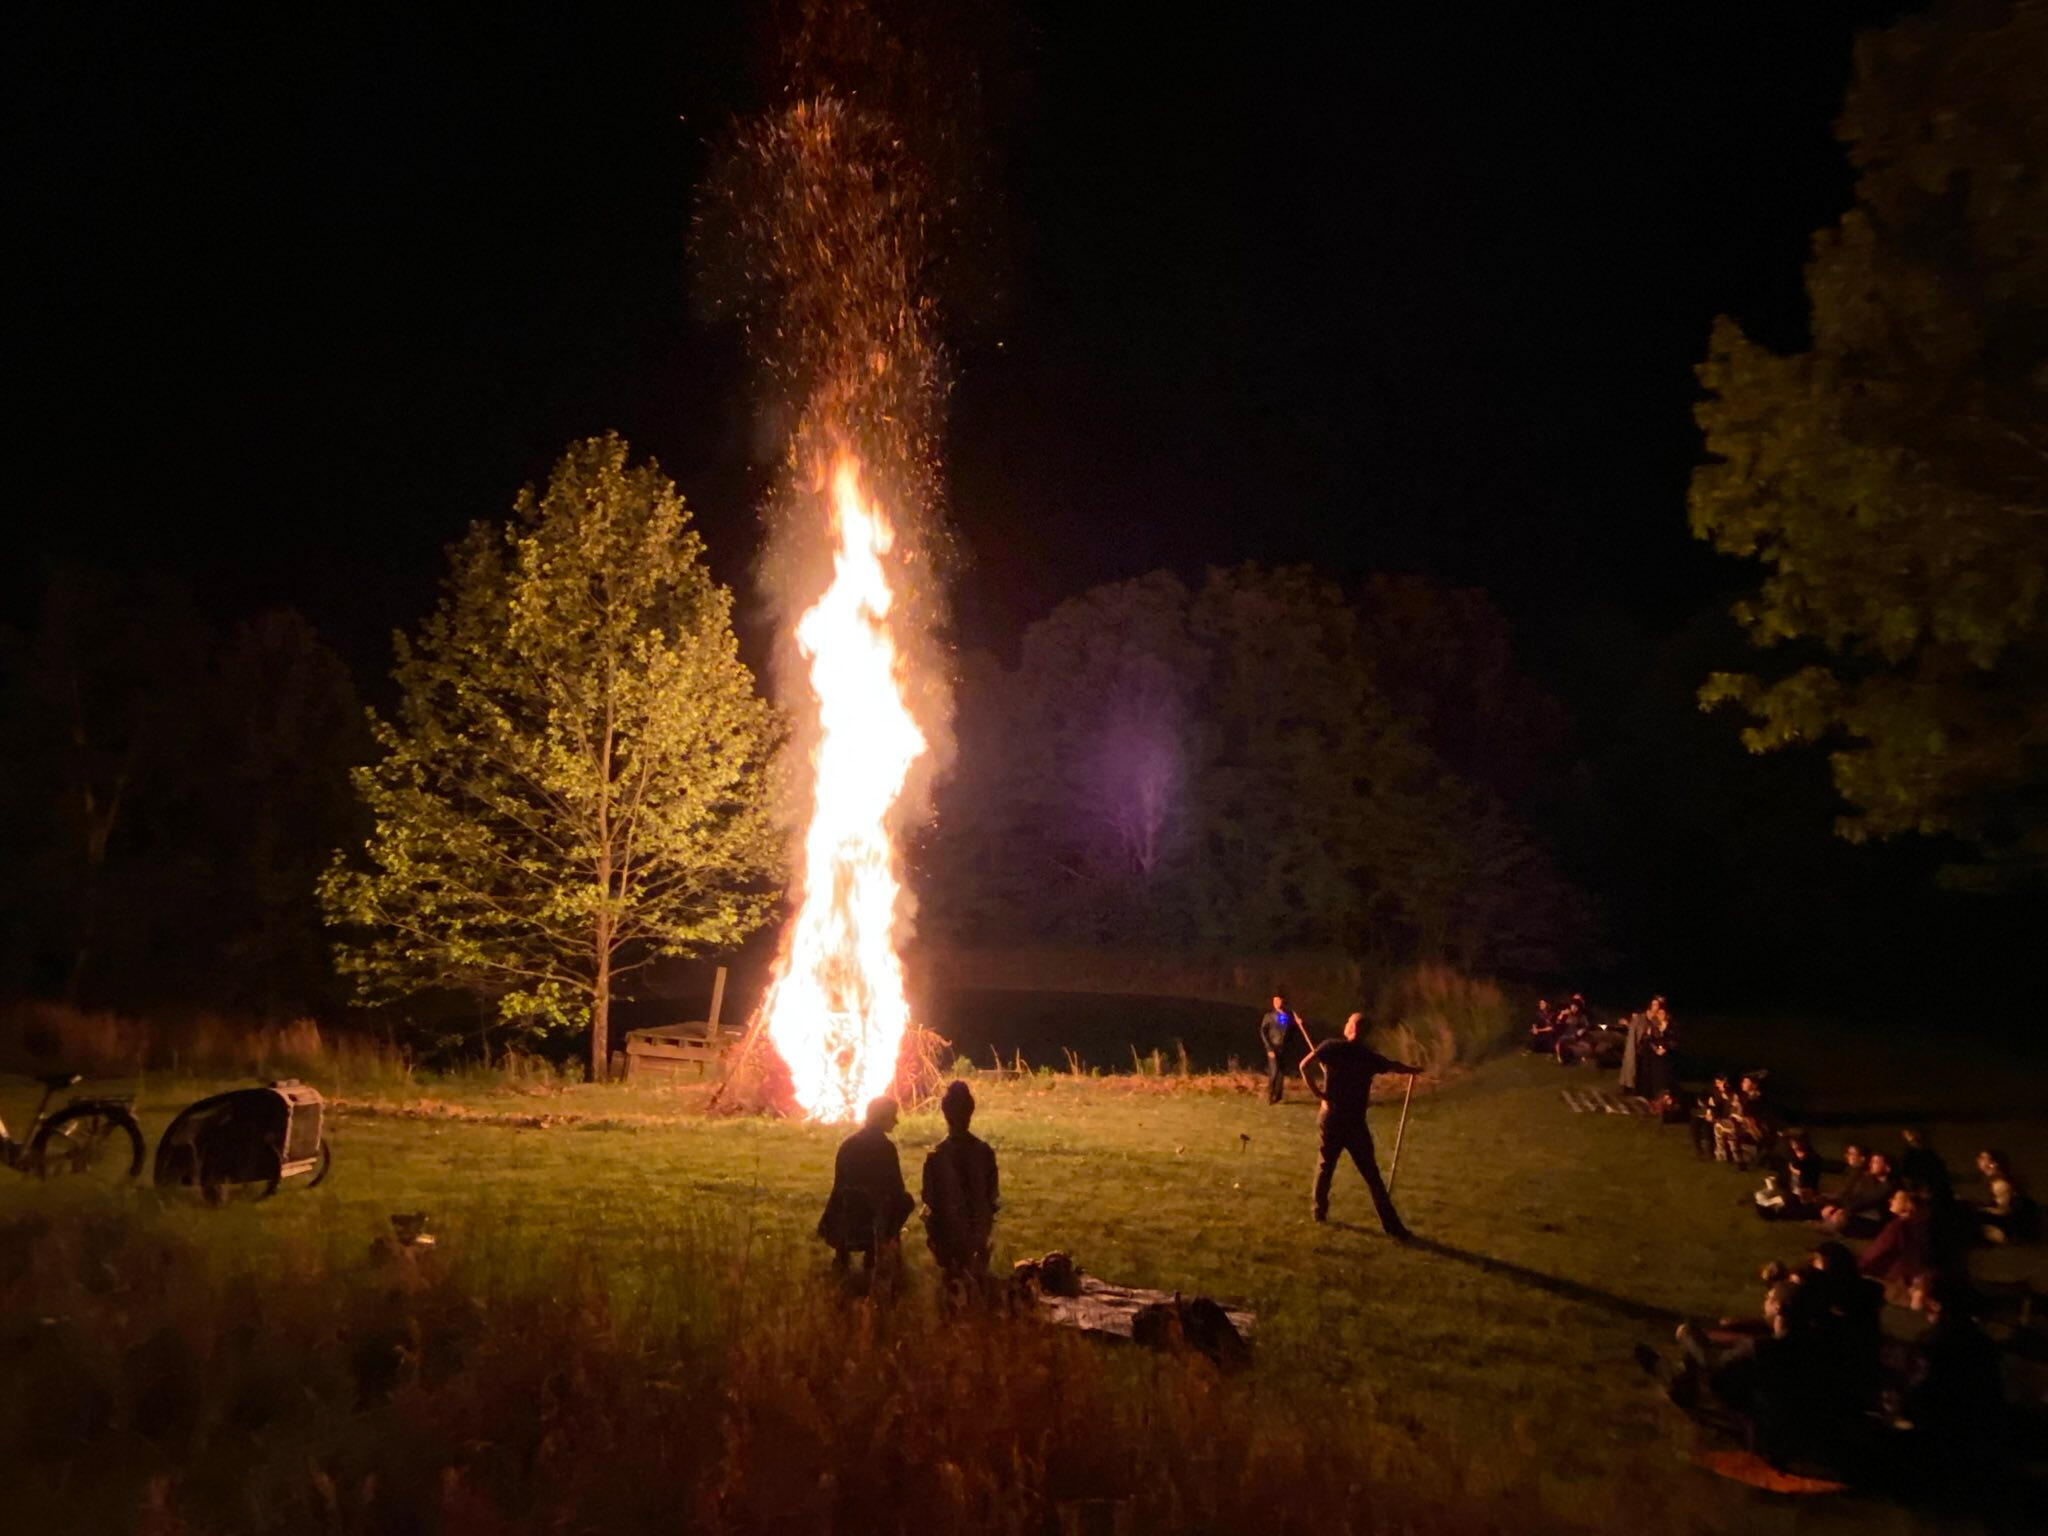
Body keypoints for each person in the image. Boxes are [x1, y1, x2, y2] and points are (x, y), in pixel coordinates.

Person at [1299, 1012, 1419, 1236]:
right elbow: (1393, 1066)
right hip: (1354, 1122)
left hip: (1334, 1118)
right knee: (1371, 1175)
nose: (1345, 1024)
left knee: (1326, 1166)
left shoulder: (1332, 1047)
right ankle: (1392, 1226)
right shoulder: (1368, 1057)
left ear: (1353, 1028)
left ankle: (1319, 1211)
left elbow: (1304, 1065)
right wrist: (1412, 1071)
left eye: (1348, 1021)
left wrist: (1319, 1093)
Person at [817, 1096, 916, 1276]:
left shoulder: (848, 1143)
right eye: (892, 1116)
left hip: (844, 1215)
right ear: (881, 1117)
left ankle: (842, 1255)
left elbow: (840, 1185)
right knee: (906, 1201)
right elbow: (896, 1189)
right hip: (872, 1218)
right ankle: (880, 1249)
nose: (896, 1121)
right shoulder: (886, 1148)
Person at [920, 1080, 1000, 1285]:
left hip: (947, 1233)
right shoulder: (984, 1152)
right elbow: (992, 1195)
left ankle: (950, 1262)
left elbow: (929, 1198)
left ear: (945, 1114)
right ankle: (976, 1259)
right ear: (970, 1112)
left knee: (926, 1212)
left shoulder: (936, 1156)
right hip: (977, 1230)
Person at [1858, 1187, 1934, 1303]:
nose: (1890, 1200)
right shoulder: (1925, 1223)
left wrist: (1856, 1268)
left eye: (1895, 1198)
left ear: (1909, 1203)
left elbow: (1875, 1253)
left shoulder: (1897, 1227)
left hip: (1903, 1281)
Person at [1971, 1148, 2039, 1245]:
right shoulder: (1996, 1182)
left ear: (1996, 1164)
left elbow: (2004, 1211)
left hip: (2010, 1227)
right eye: (1980, 1158)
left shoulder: (2000, 1184)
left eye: (1987, 1160)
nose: (1982, 1163)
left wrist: (1982, 1210)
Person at [1258, 993, 1304, 1105]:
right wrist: (1269, 1049)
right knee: (1274, 1071)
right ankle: (1271, 1095)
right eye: (1275, 1001)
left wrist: (1298, 1023)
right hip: (1273, 1047)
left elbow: (1288, 1029)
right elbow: (1263, 1032)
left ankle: (1278, 1096)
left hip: (1284, 1048)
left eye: (1278, 1000)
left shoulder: (1285, 1015)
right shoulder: (1269, 1016)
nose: (1277, 1003)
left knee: (1281, 1072)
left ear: (1282, 1001)